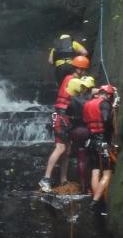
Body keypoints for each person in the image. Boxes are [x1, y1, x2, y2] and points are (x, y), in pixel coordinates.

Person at [39, 61, 92, 192]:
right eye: (83, 70)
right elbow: (86, 87)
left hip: (66, 118)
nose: (84, 72)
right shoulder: (71, 79)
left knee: (67, 150)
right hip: (60, 117)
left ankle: (63, 179)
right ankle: (45, 179)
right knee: (60, 147)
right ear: (78, 69)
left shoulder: (72, 80)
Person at [84, 84, 117, 212]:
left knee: (95, 171)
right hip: (101, 142)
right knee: (107, 173)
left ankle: (96, 198)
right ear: (108, 95)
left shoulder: (88, 103)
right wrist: (112, 109)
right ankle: (96, 201)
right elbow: (105, 119)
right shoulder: (105, 104)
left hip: (90, 141)